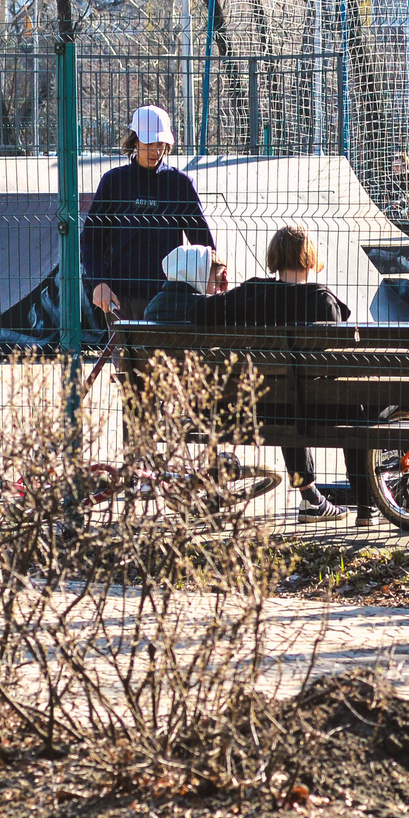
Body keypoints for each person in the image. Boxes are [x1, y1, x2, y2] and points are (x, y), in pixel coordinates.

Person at [200, 225, 351, 518]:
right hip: (317, 407)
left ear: (274, 258)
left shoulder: (252, 293)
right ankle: (365, 502)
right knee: (355, 406)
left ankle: (312, 496)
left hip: (261, 404)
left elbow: (199, 313)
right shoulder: (322, 300)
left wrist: (221, 293)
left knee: (282, 396)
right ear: (310, 259)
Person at [82, 105, 214, 321]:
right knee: (124, 356)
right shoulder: (114, 182)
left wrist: (211, 280)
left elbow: (204, 244)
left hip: (167, 299)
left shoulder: (179, 184)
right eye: (149, 143)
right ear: (134, 141)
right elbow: (90, 239)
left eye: (160, 144)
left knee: (164, 356)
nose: (156, 151)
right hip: (121, 297)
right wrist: (99, 283)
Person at [141, 242, 233, 322]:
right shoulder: (206, 309)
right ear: (203, 274)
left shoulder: (152, 306)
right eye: (218, 281)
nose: (219, 290)